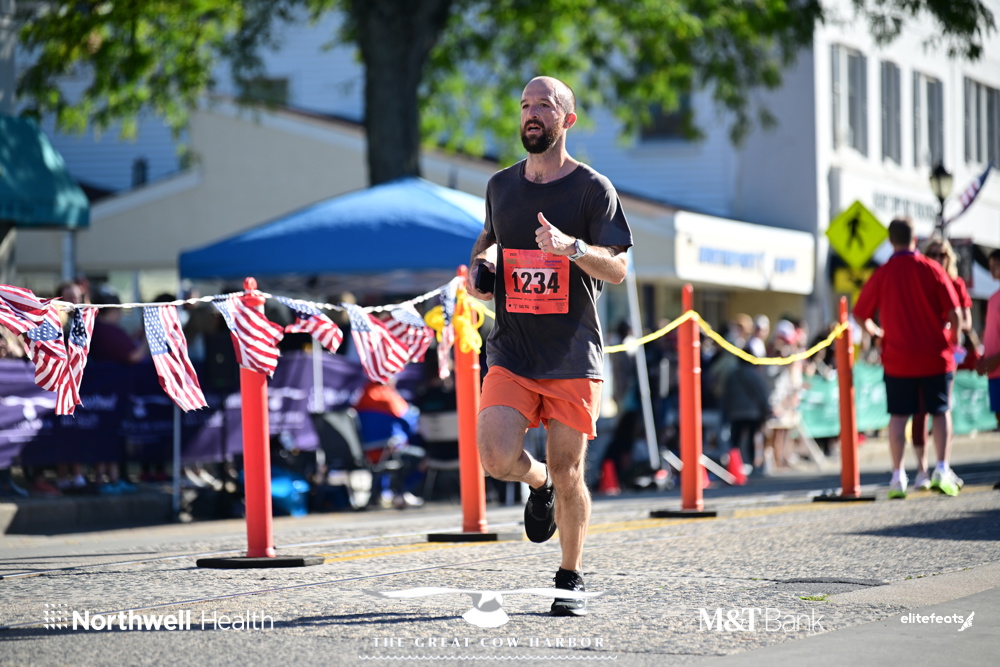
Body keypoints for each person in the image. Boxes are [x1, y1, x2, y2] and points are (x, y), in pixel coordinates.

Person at [466, 75, 632, 617]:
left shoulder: (592, 189)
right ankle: (535, 484)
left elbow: (619, 268)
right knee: (495, 457)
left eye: (544, 104)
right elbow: (487, 240)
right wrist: (480, 269)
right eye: (525, 105)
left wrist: (571, 247)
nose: (531, 113)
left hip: (571, 354)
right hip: (512, 350)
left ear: (568, 120)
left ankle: (570, 576)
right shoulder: (501, 186)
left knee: (569, 471)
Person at [853, 217, 962, 499]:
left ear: (891, 241)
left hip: (897, 358)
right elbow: (956, 314)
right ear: (916, 239)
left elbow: (860, 314)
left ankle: (898, 476)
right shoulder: (932, 268)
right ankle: (941, 468)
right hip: (934, 355)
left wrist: (877, 333)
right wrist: (953, 342)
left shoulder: (883, 273)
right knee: (940, 411)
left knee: (899, 416)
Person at [910, 238, 977, 490]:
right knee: (919, 410)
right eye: (934, 254)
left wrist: (951, 325)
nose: (939, 259)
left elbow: (965, 320)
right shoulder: (922, 279)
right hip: (921, 352)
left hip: (946, 354)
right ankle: (921, 471)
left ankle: (942, 466)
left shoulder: (956, 283)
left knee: (942, 408)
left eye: (943, 255)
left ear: (950, 258)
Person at [975, 249, 1000, 489]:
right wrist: (984, 357)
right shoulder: (993, 298)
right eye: (991, 265)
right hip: (994, 373)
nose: (992, 270)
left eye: (997, 265)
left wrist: (994, 359)